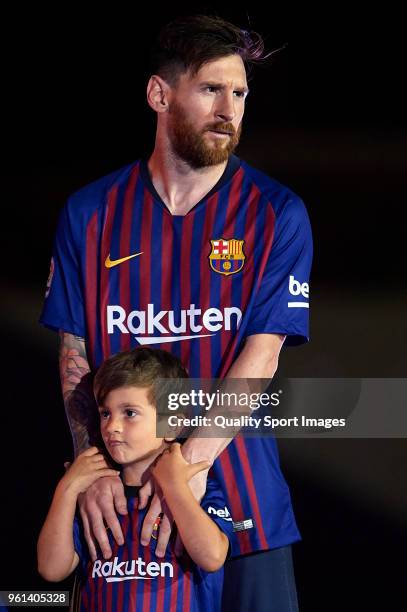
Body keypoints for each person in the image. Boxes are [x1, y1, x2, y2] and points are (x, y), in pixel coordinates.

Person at [40, 13, 312, 611]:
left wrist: (180, 473)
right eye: (210, 89)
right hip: (121, 514)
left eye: (239, 92)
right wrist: (95, 471)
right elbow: (76, 358)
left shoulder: (276, 213)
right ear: (159, 95)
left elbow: (260, 359)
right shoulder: (90, 213)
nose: (229, 109)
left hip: (243, 511)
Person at [38, 347, 234, 611]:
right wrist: (67, 488)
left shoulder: (196, 486)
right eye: (105, 413)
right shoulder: (93, 496)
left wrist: (174, 484)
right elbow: (52, 569)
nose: (111, 426)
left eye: (129, 413)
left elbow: (212, 557)